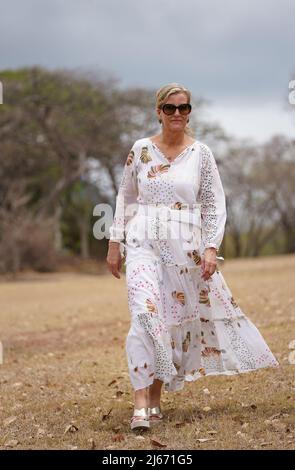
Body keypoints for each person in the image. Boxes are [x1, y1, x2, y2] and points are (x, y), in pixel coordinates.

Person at [106, 83, 279, 431]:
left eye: (184, 108)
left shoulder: (201, 153)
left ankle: (155, 399)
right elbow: (126, 195)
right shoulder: (140, 149)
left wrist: (212, 246)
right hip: (142, 242)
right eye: (170, 108)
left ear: (189, 112)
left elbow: (214, 203)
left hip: (184, 249)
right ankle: (140, 403)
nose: (177, 114)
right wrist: (114, 241)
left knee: (170, 322)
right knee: (144, 312)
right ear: (158, 112)